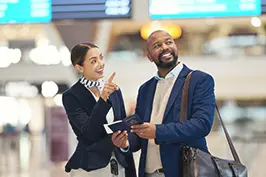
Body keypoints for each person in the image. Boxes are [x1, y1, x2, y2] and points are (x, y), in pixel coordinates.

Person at [112, 30, 216, 177]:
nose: (165, 47)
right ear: (149, 56)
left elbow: (202, 125)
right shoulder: (146, 89)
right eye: (157, 45)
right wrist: (126, 143)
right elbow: (141, 132)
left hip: (183, 172)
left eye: (168, 42)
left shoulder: (199, 80)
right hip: (148, 173)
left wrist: (157, 131)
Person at [62, 42, 136, 177]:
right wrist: (102, 100)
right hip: (90, 169)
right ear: (79, 67)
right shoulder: (71, 96)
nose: (101, 64)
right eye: (93, 61)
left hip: (119, 166)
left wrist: (125, 145)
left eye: (101, 58)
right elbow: (88, 134)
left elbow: (123, 126)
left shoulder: (113, 90)